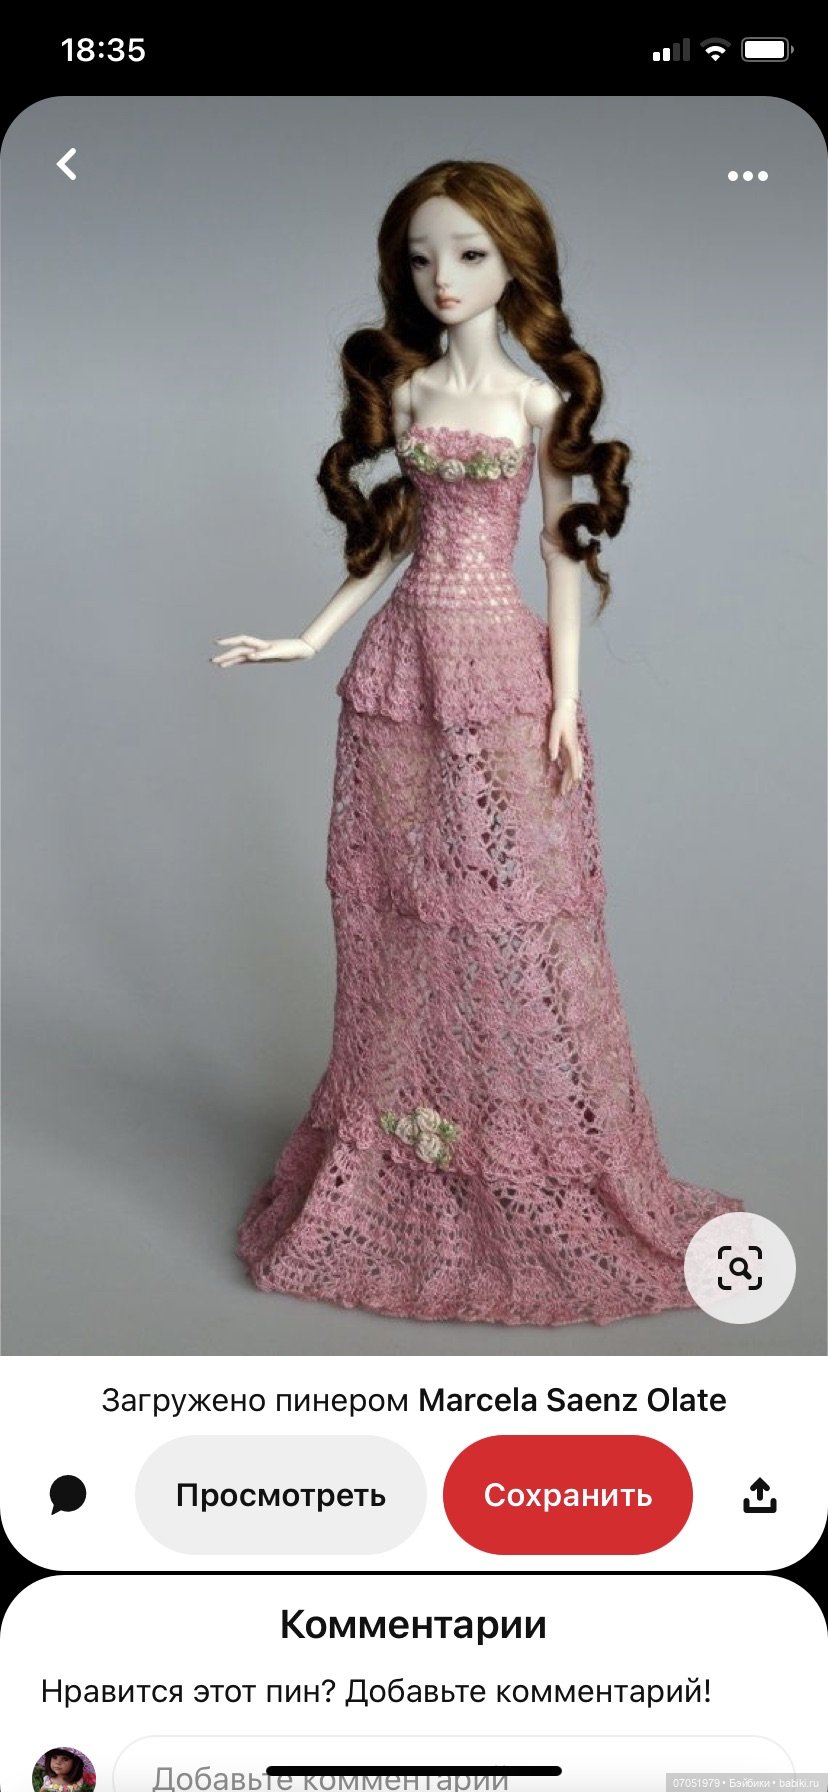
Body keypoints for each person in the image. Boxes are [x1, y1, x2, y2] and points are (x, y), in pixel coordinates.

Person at [215, 158, 742, 1325]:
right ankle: (418, 1137)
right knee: (398, 906)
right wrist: (308, 637)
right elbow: (397, 544)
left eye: (468, 254)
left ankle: (526, 1150)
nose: (441, 279)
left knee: (510, 915)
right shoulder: (408, 394)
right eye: (420, 259)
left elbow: (560, 552)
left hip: (499, 669)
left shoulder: (538, 403)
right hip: (401, 669)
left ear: (516, 264)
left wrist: (563, 697)